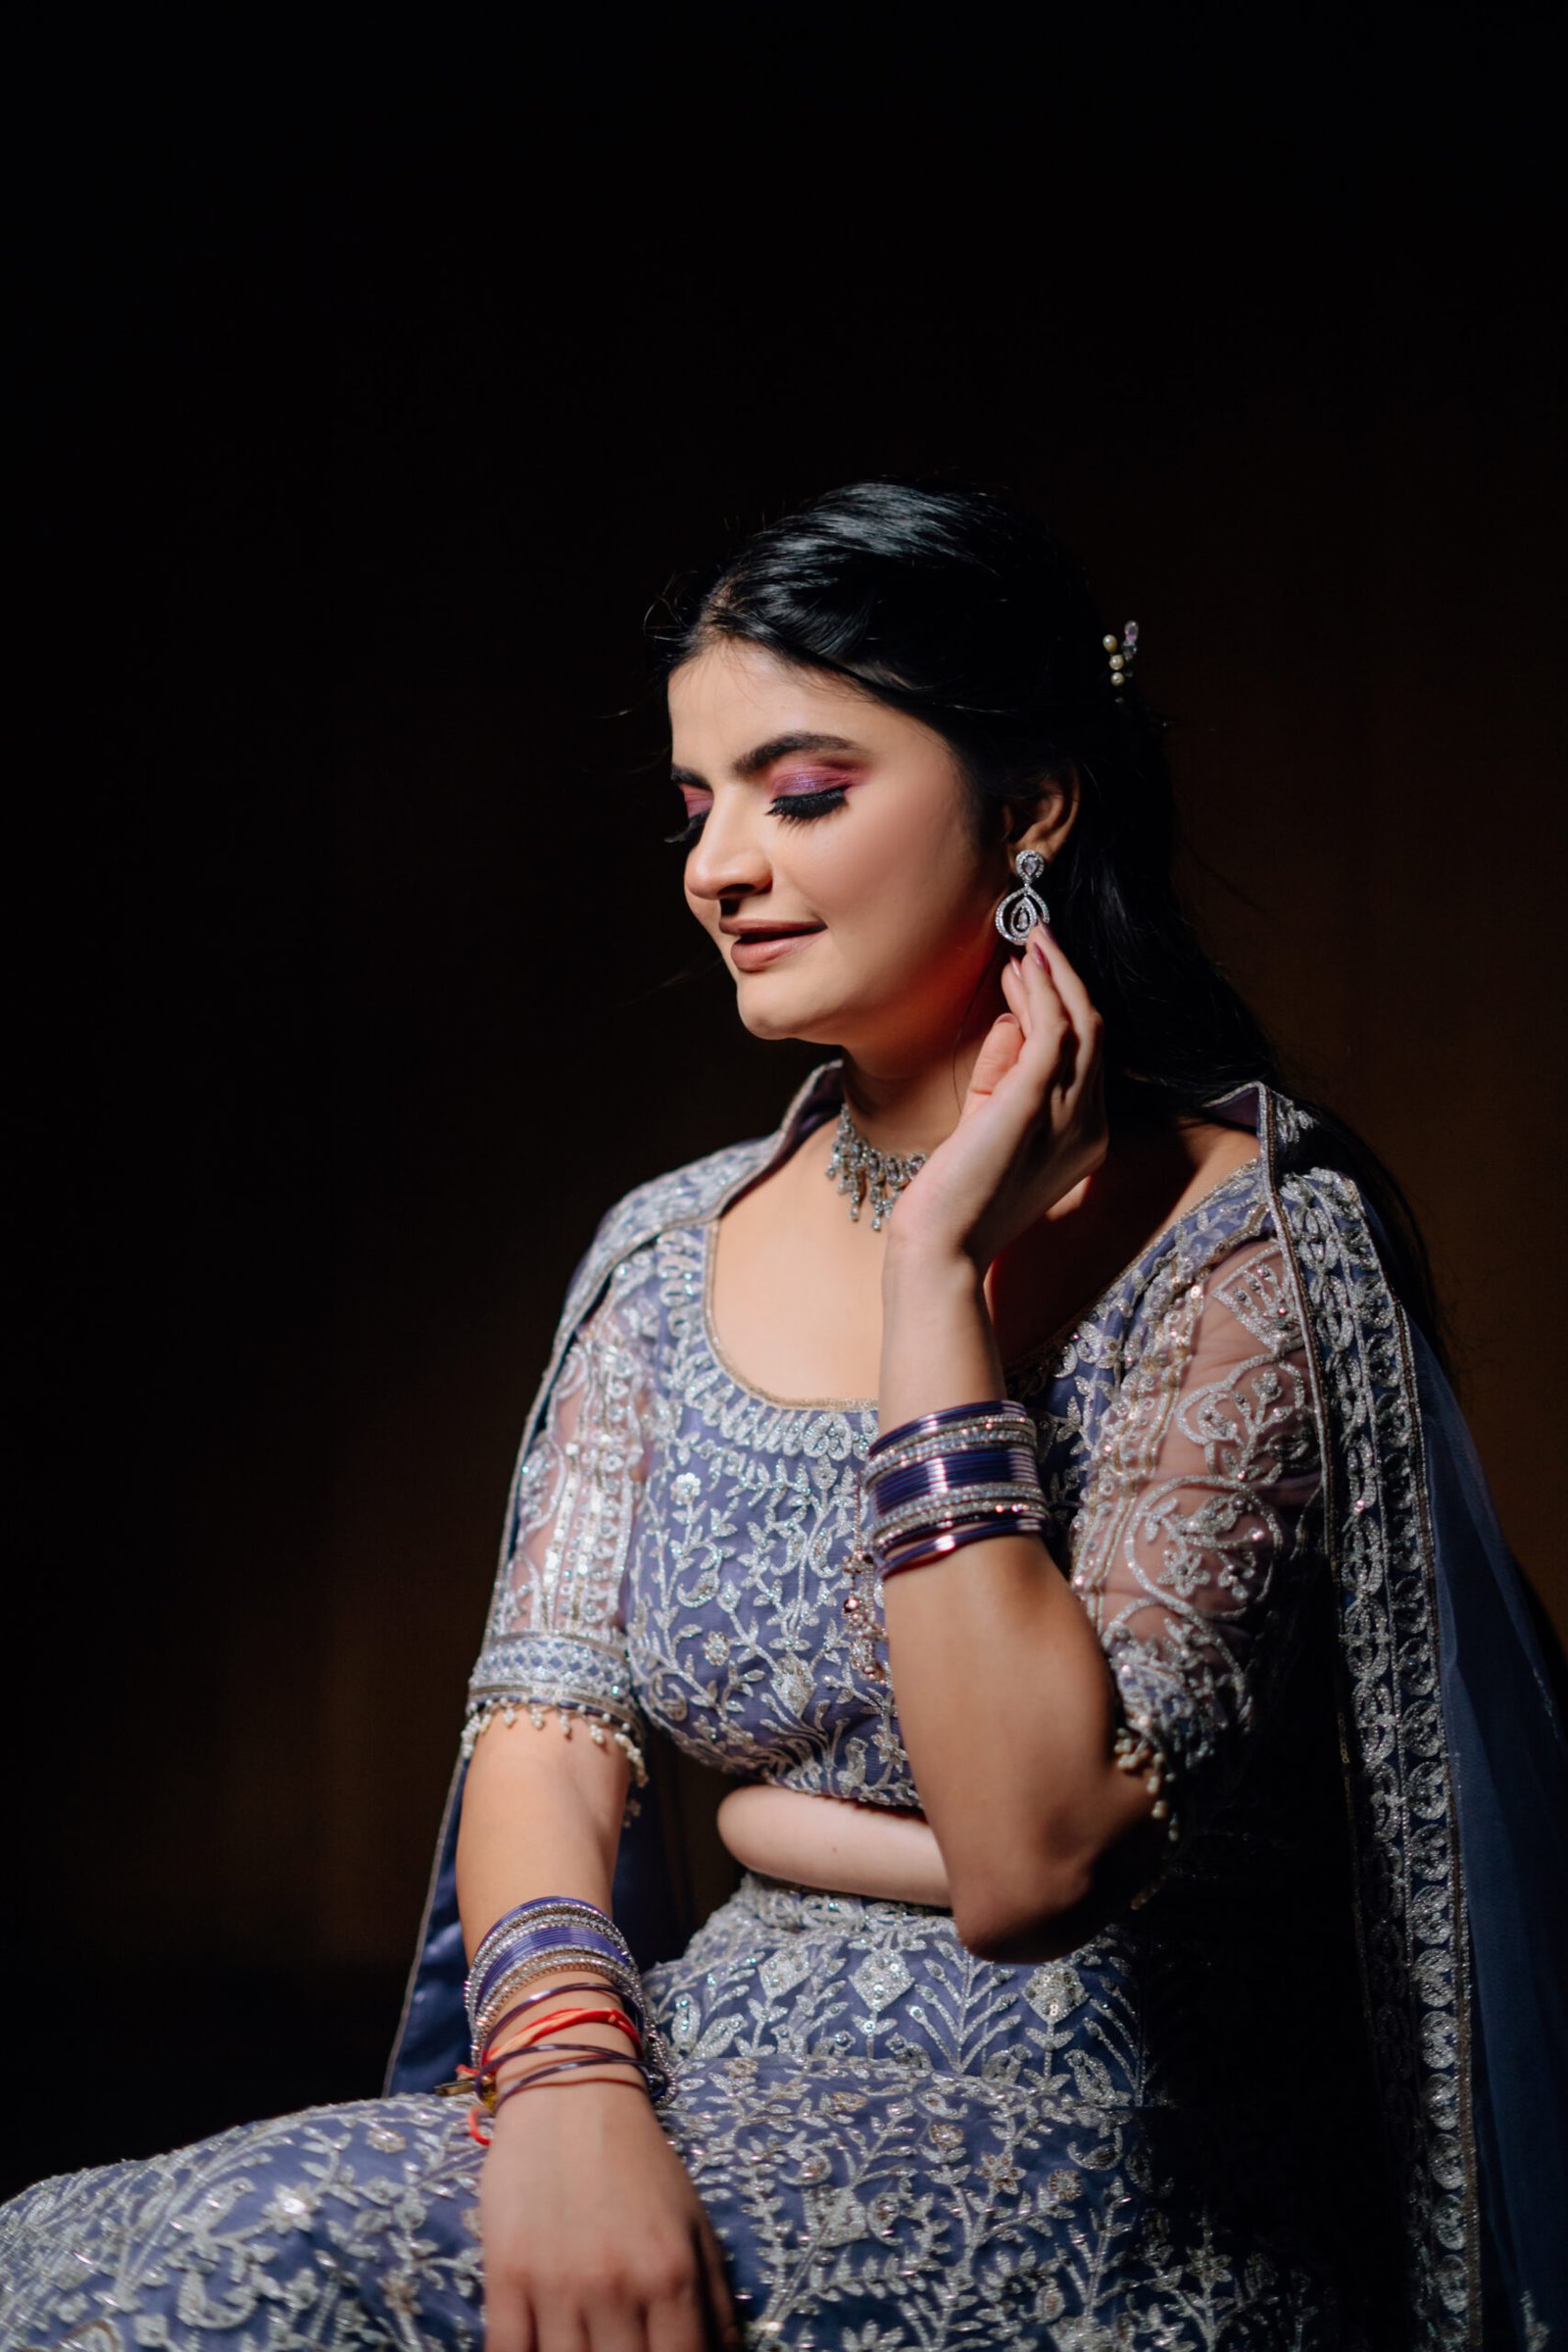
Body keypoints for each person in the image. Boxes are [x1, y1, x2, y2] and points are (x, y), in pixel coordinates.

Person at [3, 480, 1564, 2352]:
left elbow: (1033, 1858)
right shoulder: (669, 1253)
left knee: (234, 2280)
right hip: (689, 2063)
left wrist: (935, 1290)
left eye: (803, 792)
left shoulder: (1246, 1253)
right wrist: (574, 2096)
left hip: (1101, 2156)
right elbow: (544, 1742)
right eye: (697, 804)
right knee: (74, 2261)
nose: (717, 866)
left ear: (1035, 805)